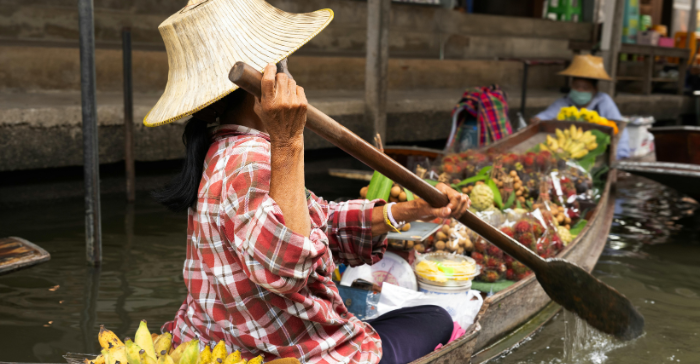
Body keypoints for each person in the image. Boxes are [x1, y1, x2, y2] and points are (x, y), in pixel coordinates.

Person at [144, 1, 471, 363]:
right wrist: (288, 141)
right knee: (436, 317)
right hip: (287, 353)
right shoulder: (253, 159)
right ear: (273, 79)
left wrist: (408, 211)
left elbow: (322, 220)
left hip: (220, 342)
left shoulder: (220, 148)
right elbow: (287, 269)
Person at [530, 54, 630, 159]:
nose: (580, 90)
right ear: (571, 86)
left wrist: (621, 155)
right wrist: (536, 120)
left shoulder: (603, 101)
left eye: (585, 88)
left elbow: (620, 130)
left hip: (600, 155)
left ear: (594, 89)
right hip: (568, 152)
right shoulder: (565, 102)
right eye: (576, 87)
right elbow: (544, 117)